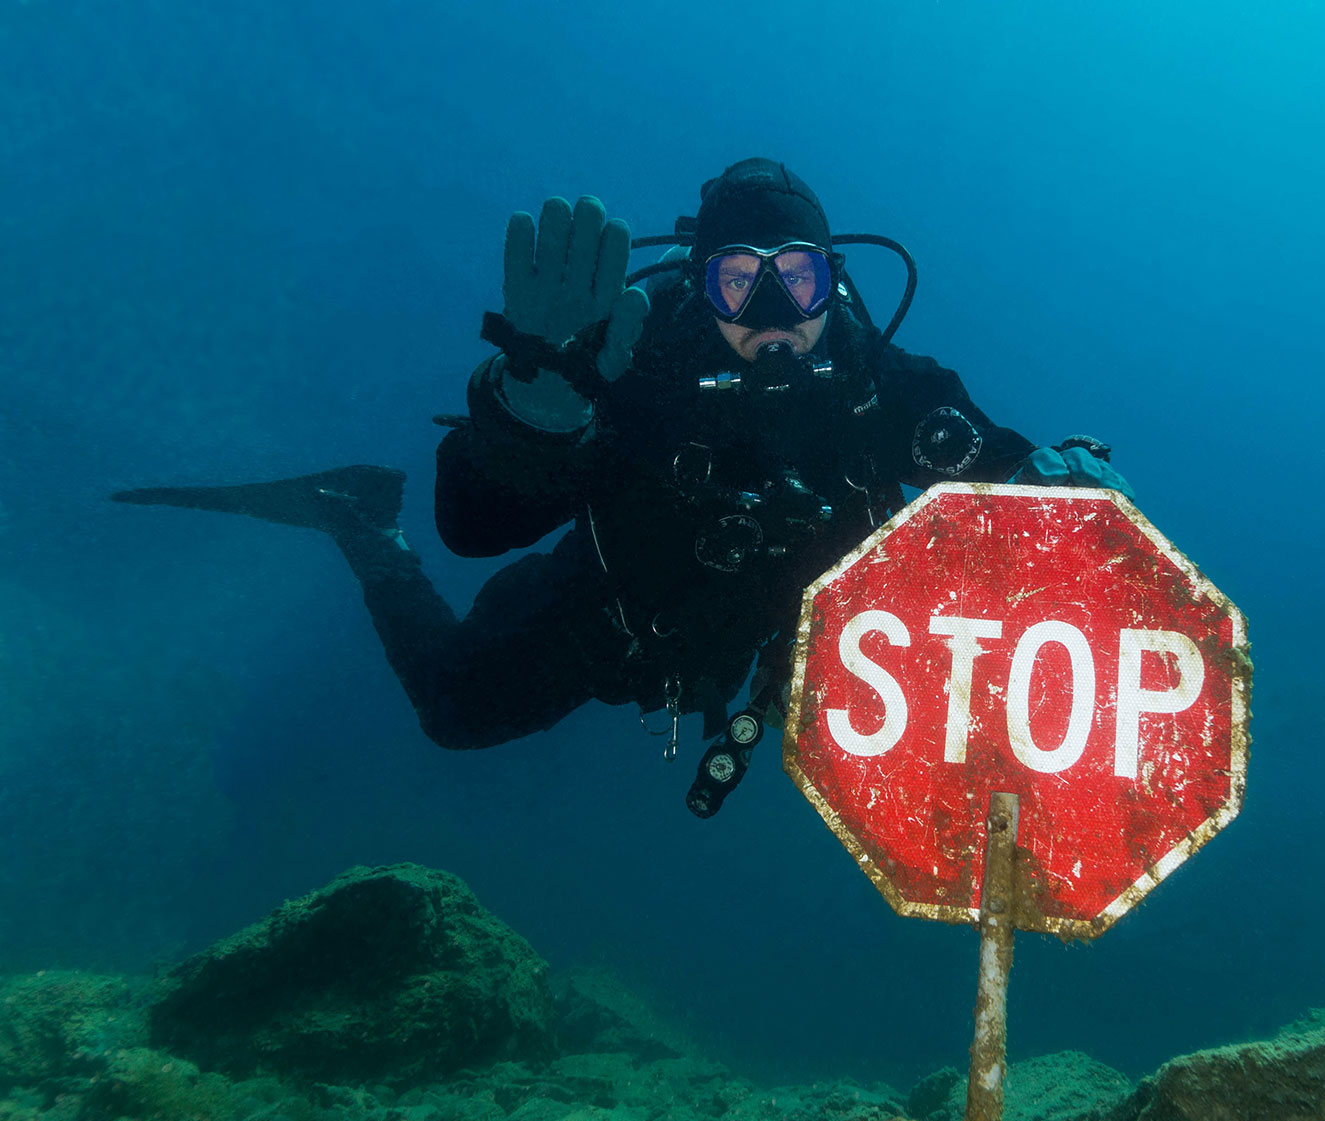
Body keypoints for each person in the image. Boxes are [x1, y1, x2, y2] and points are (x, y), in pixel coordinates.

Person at [114, 158, 1130, 815]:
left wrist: (1063, 487)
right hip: (597, 614)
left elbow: (1008, 484)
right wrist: (534, 406)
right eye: (740, 282)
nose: (774, 312)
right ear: (698, 283)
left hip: (737, 654)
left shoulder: (891, 391)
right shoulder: (635, 367)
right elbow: (474, 527)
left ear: (836, 281)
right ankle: (360, 520)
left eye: (801, 281)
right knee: (453, 713)